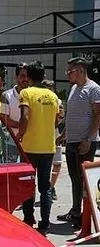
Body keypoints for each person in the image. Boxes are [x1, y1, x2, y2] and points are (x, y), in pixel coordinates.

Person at [17, 61, 60, 236]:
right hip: (48, 147)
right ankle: (45, 222)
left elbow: (25, 116)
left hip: (29, 146)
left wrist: (19, 134)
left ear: (29, 76)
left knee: (28, 184)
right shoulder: (52, 95)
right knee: (45, 187)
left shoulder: (26, 93)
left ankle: (29, 219)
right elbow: (57, 121)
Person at [56, 57, 100, 229]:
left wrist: (89, 139)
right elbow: (71, 116)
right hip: (72, 142)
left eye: (70, 71)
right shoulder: (74, 88)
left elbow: (98, 115)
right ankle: (75, 212)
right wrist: (62, 135)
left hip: (85, 142)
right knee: (75, 179)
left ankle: (87, 216)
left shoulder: (94, 89)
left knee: (84, 181)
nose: (68, 74)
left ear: (81, 70)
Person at [41, 79, 65, 201]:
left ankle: (51, 186)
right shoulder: (39, 100)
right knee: (44, 165)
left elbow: (61, 117)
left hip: (54, 135)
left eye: (50, 88)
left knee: (57, 163)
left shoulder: (58, 101)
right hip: (41, 136)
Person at [1, 63, 29, 136]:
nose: (25, 79)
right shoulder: (6, 96)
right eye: (22, 76)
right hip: (13, 142)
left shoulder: (35, 96)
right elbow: (4, 119)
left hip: (31, 142)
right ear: (16, 77)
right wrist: (23, 126)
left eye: (27, 76)